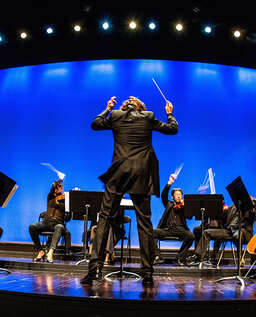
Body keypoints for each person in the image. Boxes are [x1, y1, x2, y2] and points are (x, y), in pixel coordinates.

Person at [81, 95, 178, 285]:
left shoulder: (116, 116)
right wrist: (170, 114)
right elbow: (172, 129)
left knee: (105, 219)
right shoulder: (148, 116)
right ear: (141, 107)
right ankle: (148, 273)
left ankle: (94, 270)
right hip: (141, 174)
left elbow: (95, 123)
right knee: (144, 223)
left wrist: (108, 108)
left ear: (124, 107)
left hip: (119, 173)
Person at [191, 196, 256, 265]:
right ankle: (198, 258)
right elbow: (220, 215)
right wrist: (209, 209)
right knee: (206, 233)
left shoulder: (249, 210)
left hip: (242, 232)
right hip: (228, 231)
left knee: (238, 235)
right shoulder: (232, 207)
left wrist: (254, 205)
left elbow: (253, 216)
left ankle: (240, 258)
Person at [153, 173, 195, 266]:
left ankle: (179, 258)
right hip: (167, 229)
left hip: (180, 229)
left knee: (191, 236)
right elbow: (163, 195)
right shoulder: (169, 204)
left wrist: (186, 207)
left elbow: (190, 217)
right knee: (150, 232)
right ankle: (157, 256)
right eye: (177, 194)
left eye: (180, 195)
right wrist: (169, 183)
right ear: (172, 197)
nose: (179, 196)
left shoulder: (184, 206)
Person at [29, 178, 71, 263]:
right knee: (32, 227)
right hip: (46, 222)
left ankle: (50, 252)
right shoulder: (50, 197)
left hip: (57, 223)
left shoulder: (66, 200)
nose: (61, 189)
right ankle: (40, 251)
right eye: (59, 187)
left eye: (61, 187)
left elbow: (68, 218)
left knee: (59, 227)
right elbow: (53, 189)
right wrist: (59, 180)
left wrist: (69, 208)